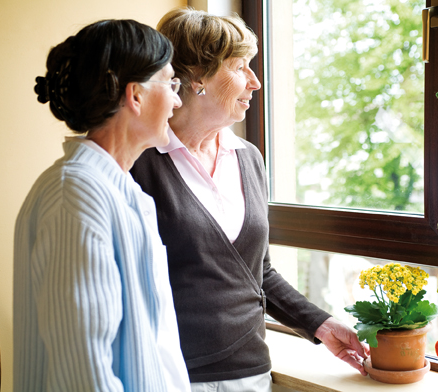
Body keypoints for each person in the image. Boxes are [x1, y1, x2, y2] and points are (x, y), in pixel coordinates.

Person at [130, 8, 369, 390]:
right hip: (172, 377)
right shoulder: (138, 164)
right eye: (240, 67)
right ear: (196, 78)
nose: (255, 83)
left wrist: (320, 325)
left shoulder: (248, 158)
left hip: (252, 372)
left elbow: (259, 272)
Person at [13, 19, 191, 392]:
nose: (177, 99)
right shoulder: (75, 196)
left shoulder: (119, 190)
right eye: (171, 83)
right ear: (136, 95)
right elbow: (84, 371)